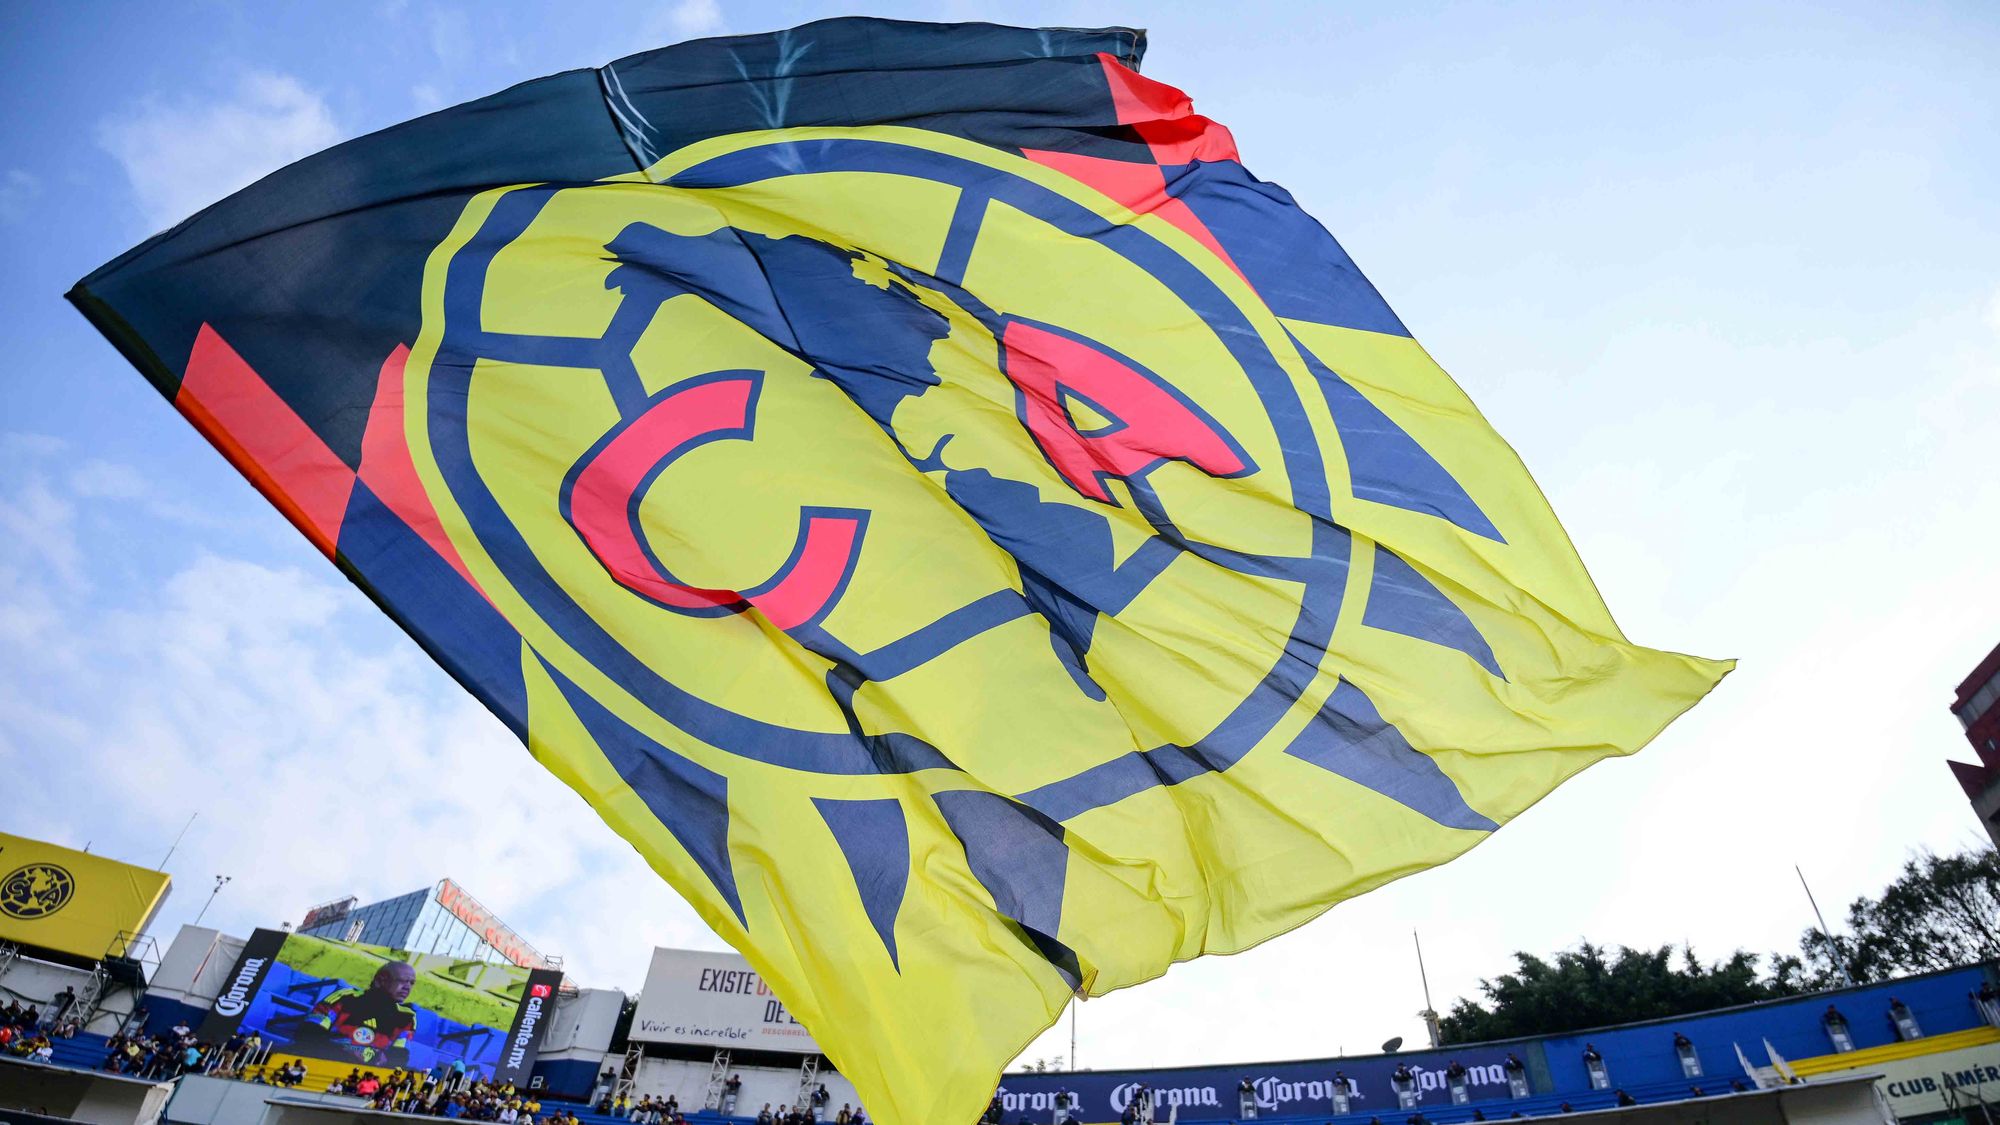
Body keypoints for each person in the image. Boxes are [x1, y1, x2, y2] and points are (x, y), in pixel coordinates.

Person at [298, 961, 419, 1068]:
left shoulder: (407, 1017)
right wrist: (346, 1051)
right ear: (380, 980)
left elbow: (399, 1056)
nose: (407, 987)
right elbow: (309, 1032)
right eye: (402, 981)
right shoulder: (345, 998)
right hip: (327, 1061)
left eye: (411, 983)